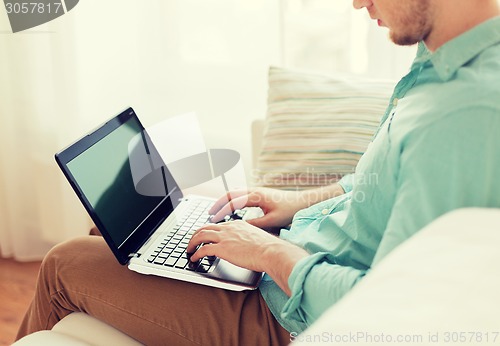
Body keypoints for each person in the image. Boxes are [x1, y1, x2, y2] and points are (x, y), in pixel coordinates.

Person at [17, 0, 500, 344]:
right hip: (293, 260)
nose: (357, 4)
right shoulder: (441, 61)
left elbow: (396, 312)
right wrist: (295, 205)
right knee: (123, 236)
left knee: (63, 264)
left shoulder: (464, 111)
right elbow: (379, 187)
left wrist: (271, 254)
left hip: (287, 318)